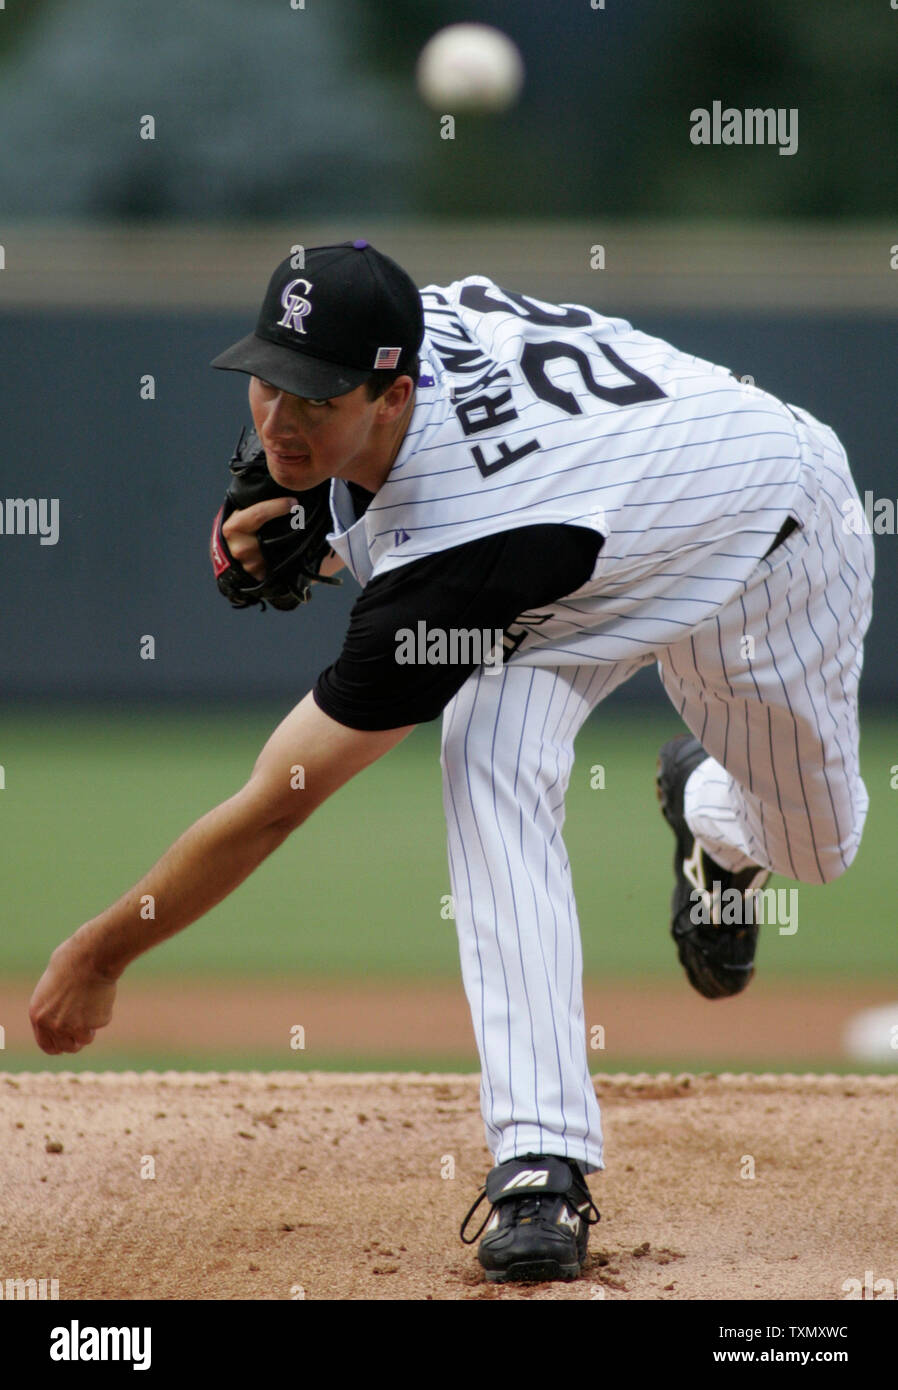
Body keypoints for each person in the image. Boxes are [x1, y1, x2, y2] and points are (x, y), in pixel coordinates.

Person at [30, 240, 874, 1285]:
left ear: (393, 391)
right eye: (269, 379)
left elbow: (276, 802)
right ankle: (540, 1160)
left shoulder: (467, 554)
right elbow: (424, 460)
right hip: (580, 549)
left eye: (316, 396)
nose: (281, 420)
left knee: (817, 848)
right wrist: (319, 508)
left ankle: (710, 808)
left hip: (769, 542)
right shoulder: (399, 329)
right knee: (484, 751)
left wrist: (104, 952)